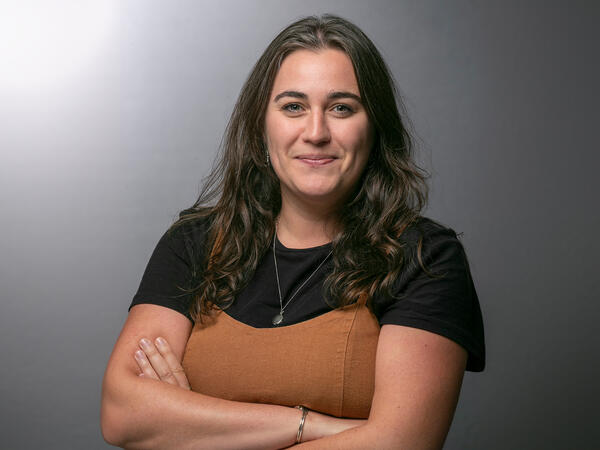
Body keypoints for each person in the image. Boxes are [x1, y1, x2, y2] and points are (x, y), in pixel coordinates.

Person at [101, 13, 485, 449]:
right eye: (293, 106)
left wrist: (191, 427)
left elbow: (400, 444)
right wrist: (313, 425)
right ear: (261, 125)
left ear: (374, 126)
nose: (316, 132)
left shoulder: (423, 257)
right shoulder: (195, 243)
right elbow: (121, 414)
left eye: (342, 107)